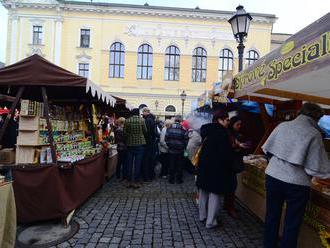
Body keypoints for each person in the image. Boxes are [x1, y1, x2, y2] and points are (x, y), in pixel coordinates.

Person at [262, 103, 330, 248]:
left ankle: (268, 245)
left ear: (300, 112)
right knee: (292, 223)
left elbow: (267, 149)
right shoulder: (313, 133)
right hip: (296, 184)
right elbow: (315, 169)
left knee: (272, 216)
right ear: (316, 118)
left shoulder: (282, 126)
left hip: (273, 176)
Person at [196, 110, 235, 229]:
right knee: (215, 194)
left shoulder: (207, 130)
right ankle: (211, 221)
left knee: (203, 191)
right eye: (227, 119)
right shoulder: (222, 133)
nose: (228, 122)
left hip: (204, 166)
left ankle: (202, 216)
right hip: (217, 168)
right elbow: (225, 154)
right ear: (220, 120)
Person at [225, 116, 249, 219]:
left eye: (240, 124)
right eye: (237, 124)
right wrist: (238, 146)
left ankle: (228, 205)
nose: (239, 126)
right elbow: (229, 147)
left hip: (233, 164)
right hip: (229, 164)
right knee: (232, 185)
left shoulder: (234, 134)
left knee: (231, 185)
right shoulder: (228, 133)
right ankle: (230, 207)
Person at [123, 108, 148, 189]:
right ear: (138, 113)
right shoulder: (142, 120)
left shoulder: (127, 120)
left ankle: (128, 181)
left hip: (130, 144)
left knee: (129, 163)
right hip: (140, 144)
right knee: (138, 164)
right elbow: (145, 131)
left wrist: (128, 138)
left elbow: (124, 133)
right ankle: (136, 182)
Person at [165, 116, 188, 184]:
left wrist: (169, 145)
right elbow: (186, 140)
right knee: (179, 165)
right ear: (180, 121)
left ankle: (171, 179)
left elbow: (166, 139)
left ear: (175, 121)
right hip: (180, 150)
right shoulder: (183, 129)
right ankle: (179, 179)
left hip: (171, 150)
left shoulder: (169, 128)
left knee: (172, 164)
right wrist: (183, 146)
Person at [142, 107, 157, 182]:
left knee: (146, 160)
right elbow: (154, 133)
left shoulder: (147, 120)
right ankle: (151, 175)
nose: (142, 114)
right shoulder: (152, 120)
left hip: (148, 143)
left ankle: (147, 176)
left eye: (143, 112)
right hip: (151, 142)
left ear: (146, 112)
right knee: (151, 159)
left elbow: (147, 132)